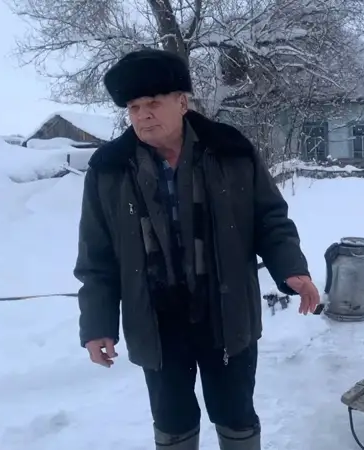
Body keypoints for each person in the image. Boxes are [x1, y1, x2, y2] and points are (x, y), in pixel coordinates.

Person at [73, 48, 320, 450]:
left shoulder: (230, 151)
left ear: (182, 102)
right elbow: (96, 257)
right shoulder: (109, 169)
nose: (143, 115)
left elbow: (270, 219)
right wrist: (97, 323)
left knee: (235, 414)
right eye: (134, 107)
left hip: (226, 314)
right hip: (156, 322)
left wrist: (291, 267)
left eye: (153, 103)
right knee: (172, 422)